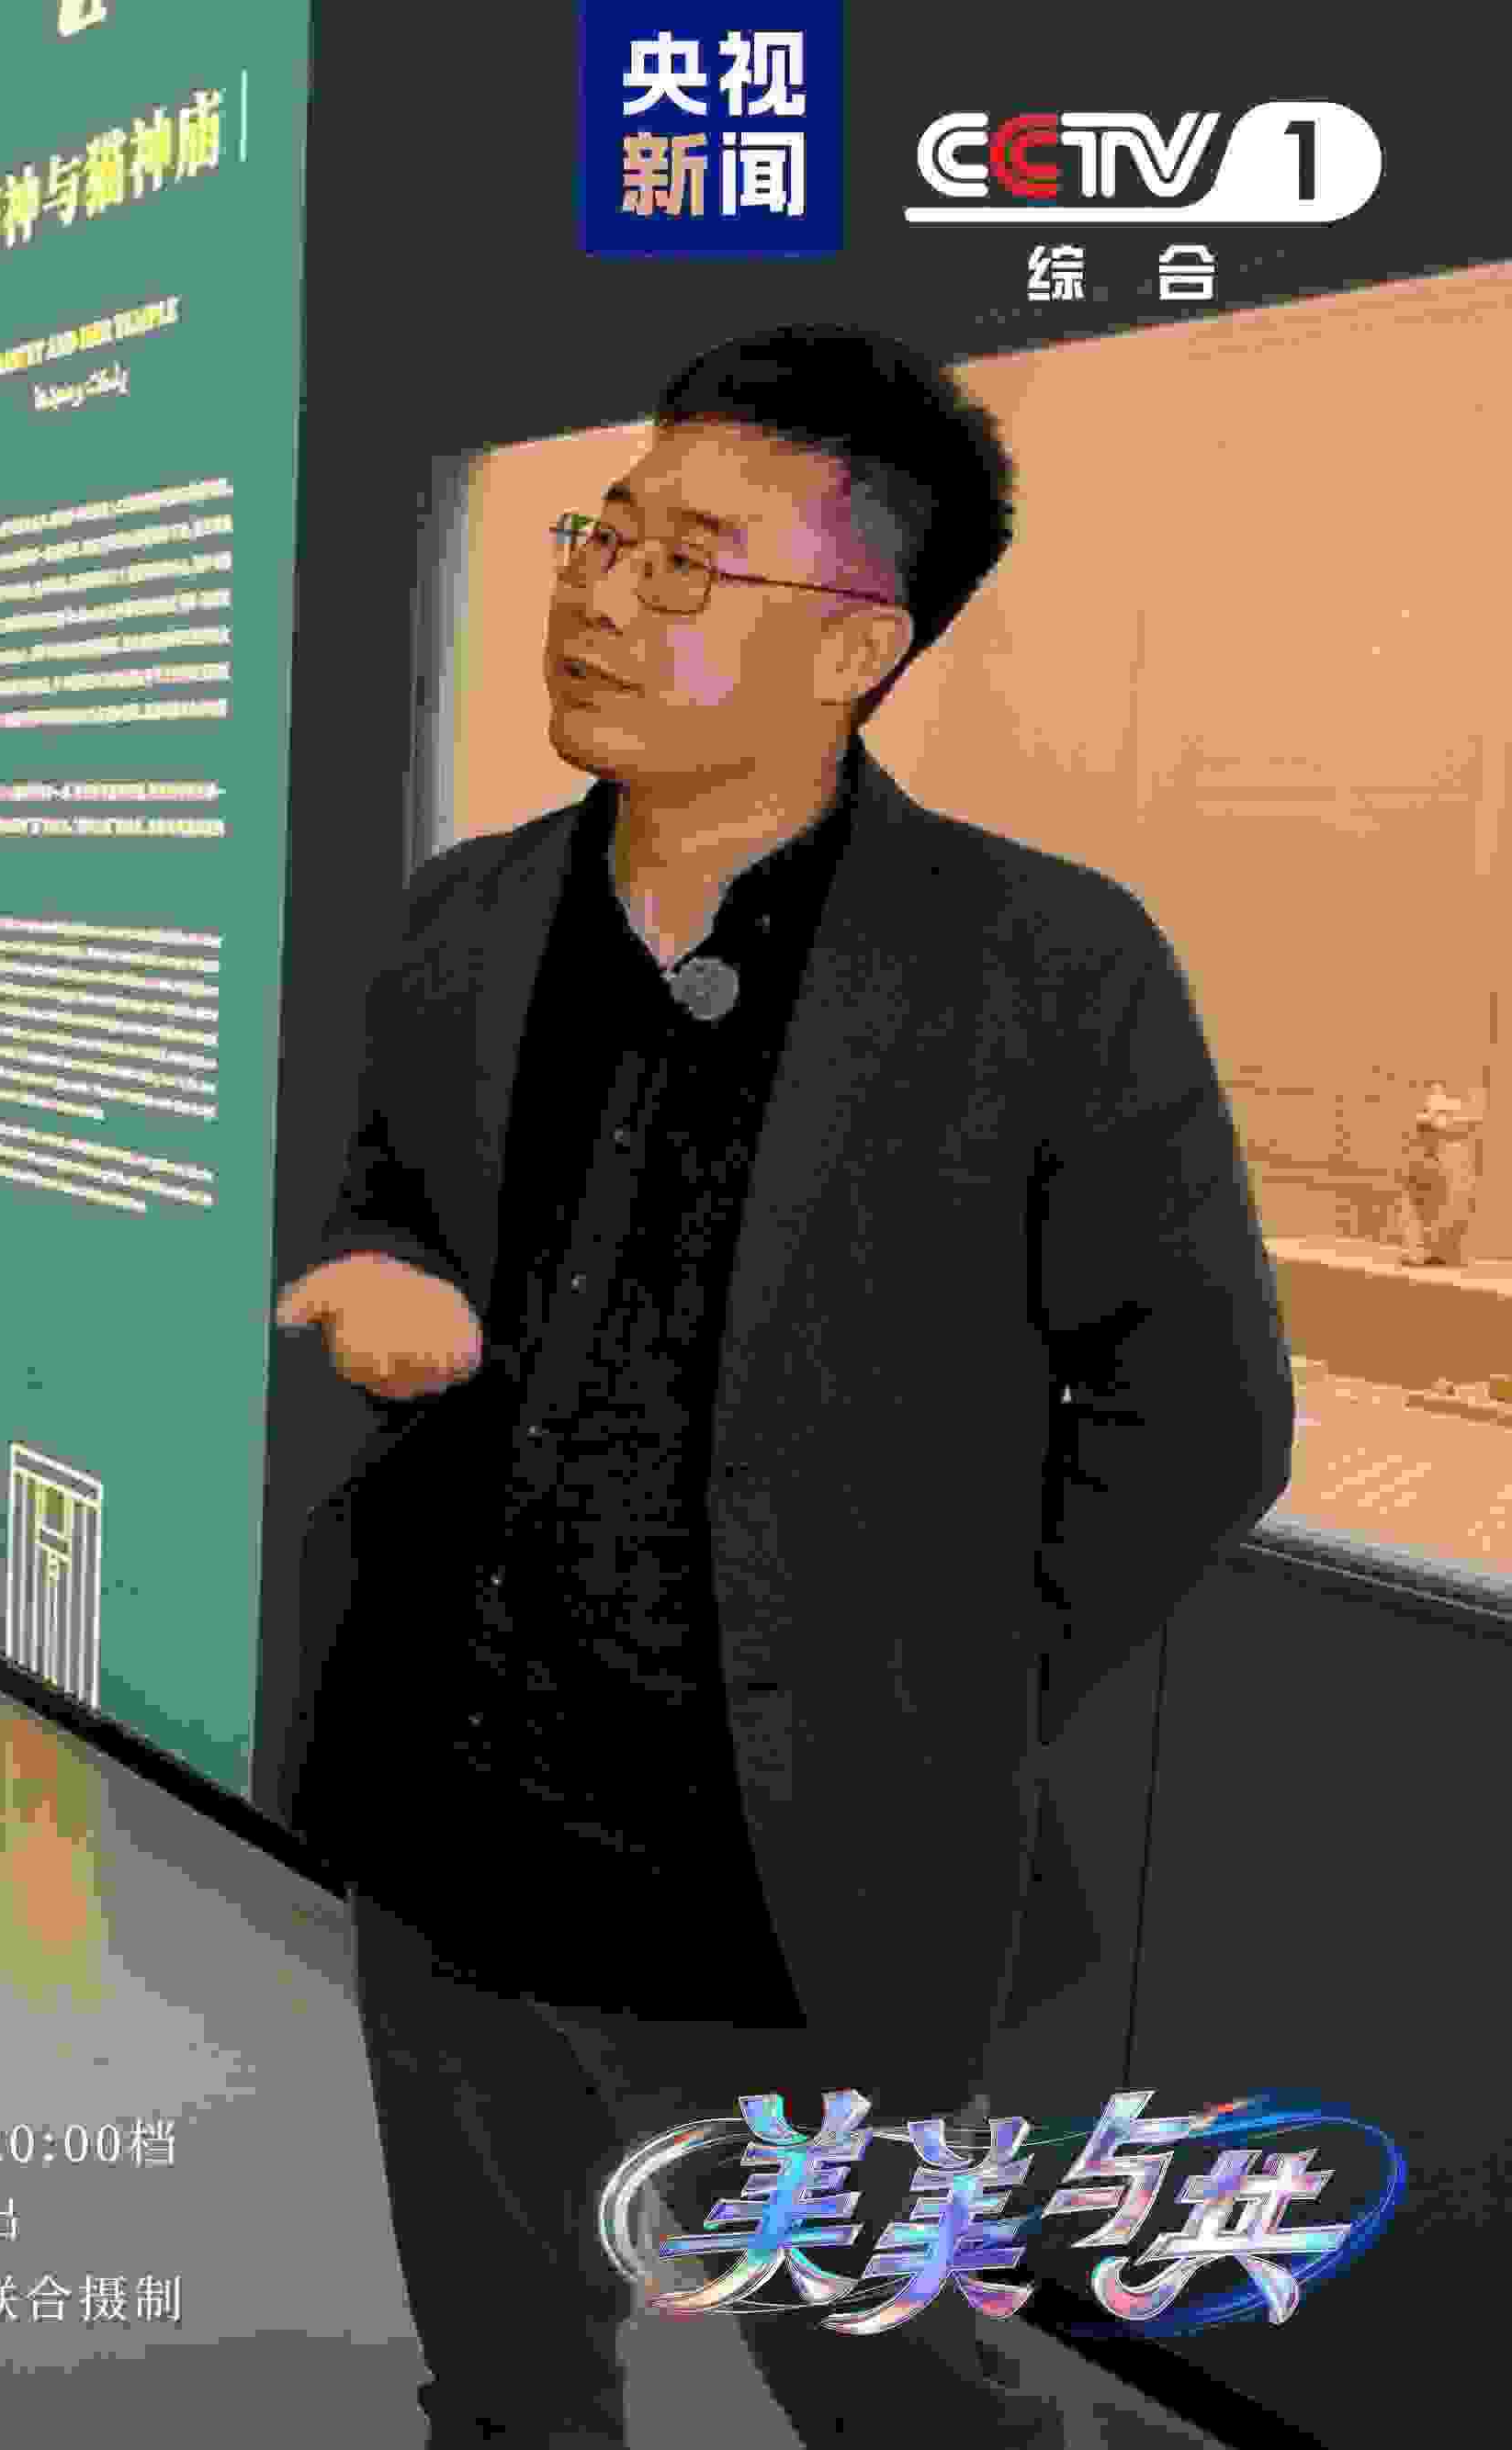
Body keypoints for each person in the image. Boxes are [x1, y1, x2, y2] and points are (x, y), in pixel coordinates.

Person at [266, 325, 1292, 2447]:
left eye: (687, 560)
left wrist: (941, 1679)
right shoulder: (459, 922)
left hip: (796, 1864)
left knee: (886, 2381)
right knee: (503, 2373)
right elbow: (384, 1193)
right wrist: (380, 1265)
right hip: (448, 1811)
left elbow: (1196, 1411)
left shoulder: (1040, 962)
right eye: (601, 533)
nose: (597, 593)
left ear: (852, 646)